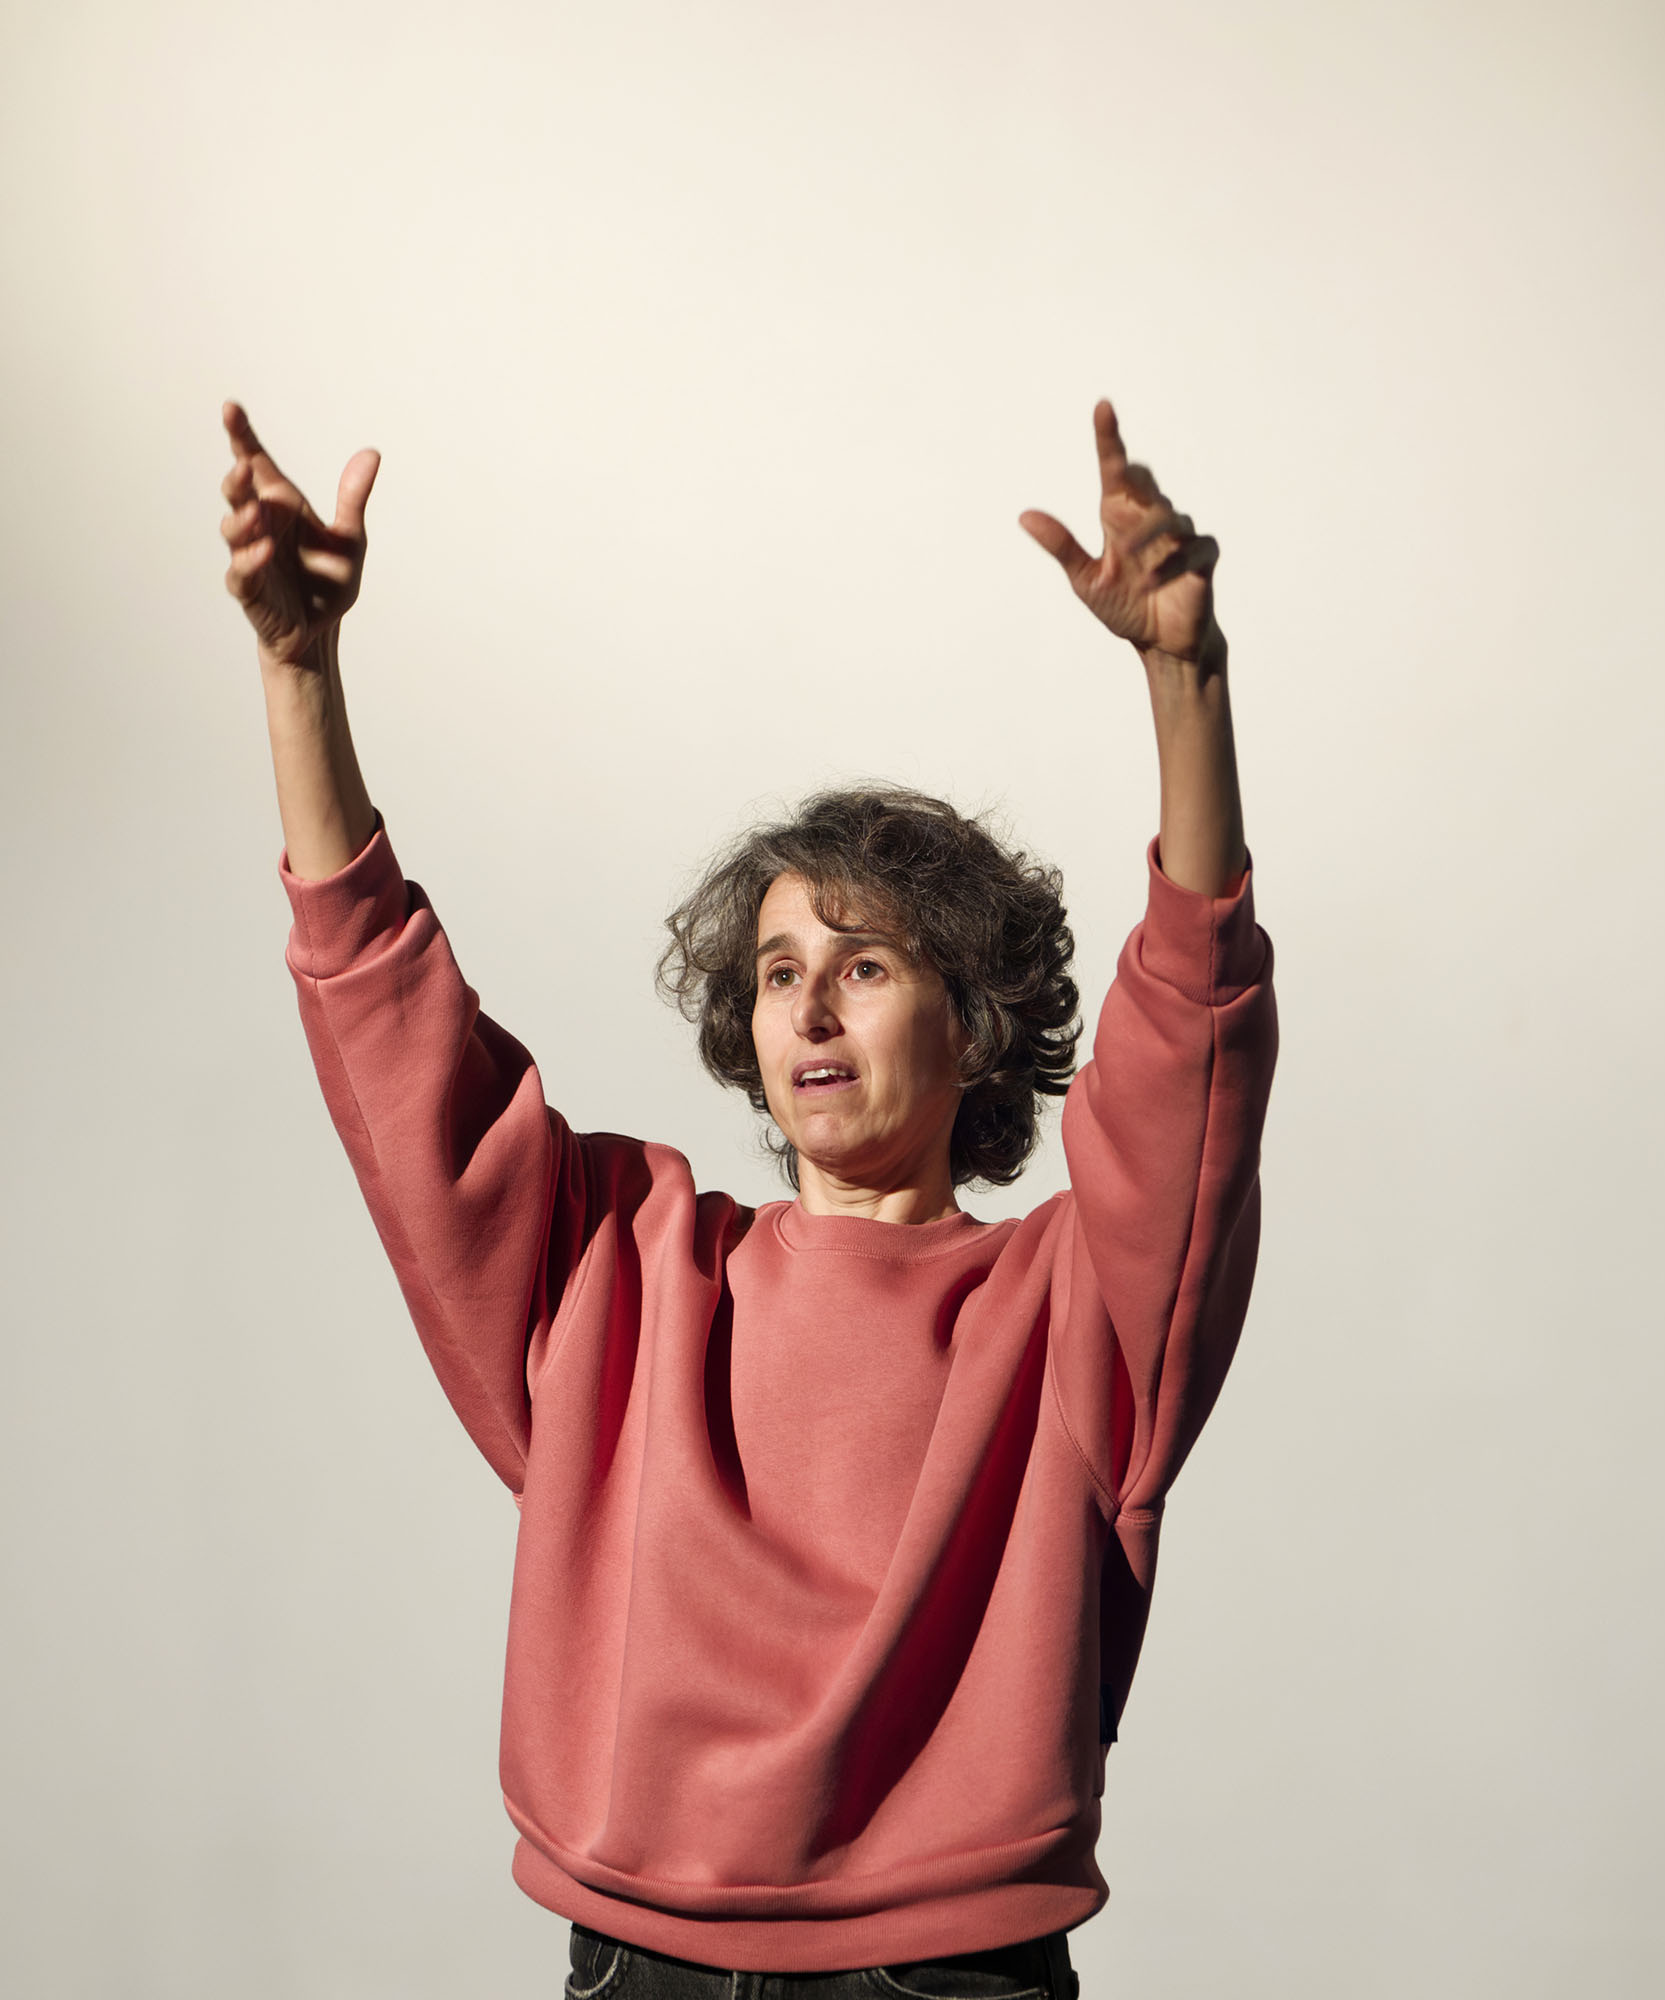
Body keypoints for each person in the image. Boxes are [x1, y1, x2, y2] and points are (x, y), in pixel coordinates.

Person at [219, 394, 1277, 1997]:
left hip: (950, 1975)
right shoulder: (628, 1267)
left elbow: (1188, 1052)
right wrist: (300, 673)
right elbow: (396, 1036)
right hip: (640, 1963)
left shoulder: (1071, 1312)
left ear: (974, 1023)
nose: (812, 1007)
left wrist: (1185, 682)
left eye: (867, 965)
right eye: (781, 971)